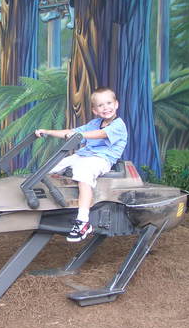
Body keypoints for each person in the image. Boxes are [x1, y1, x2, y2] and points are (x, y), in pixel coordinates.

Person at [35, 87, 128, 242]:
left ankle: (83, 221)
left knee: (83, 174)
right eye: (100, 105)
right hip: (83, 155)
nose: (105, 107)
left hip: (101, 159)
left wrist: (78, 135)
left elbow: (101, 134)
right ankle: (44, 206)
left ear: (116, 104)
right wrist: (48, 132)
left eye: (109, 103)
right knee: (51, 167)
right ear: (95, 110)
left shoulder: (119, 125)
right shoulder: (94, 123)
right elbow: (70, 132)